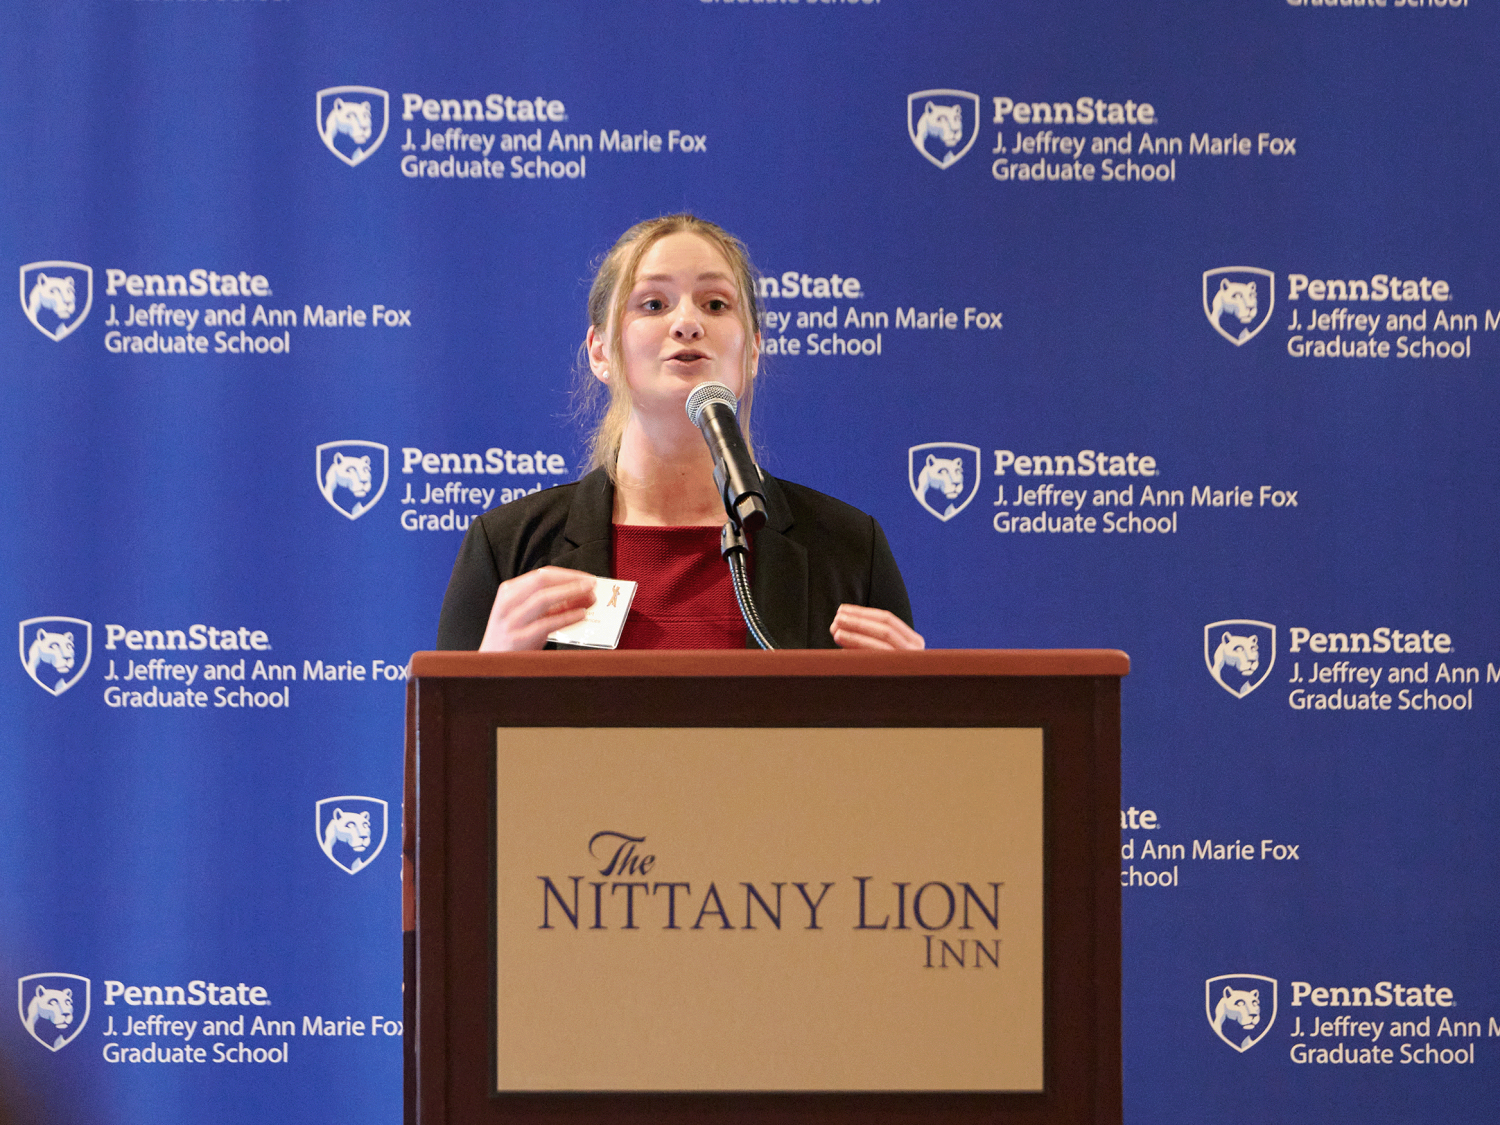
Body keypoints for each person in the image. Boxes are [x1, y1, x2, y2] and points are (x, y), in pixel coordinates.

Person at [436, 214, 924, 652]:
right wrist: (488, 674)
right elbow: (449, 748)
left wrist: (909, 713)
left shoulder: (849, 551)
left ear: (753, 350)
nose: (687, 323)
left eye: (715, 303)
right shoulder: (508, 550)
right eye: (652, 304)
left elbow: (906, 754)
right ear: (600, 351)